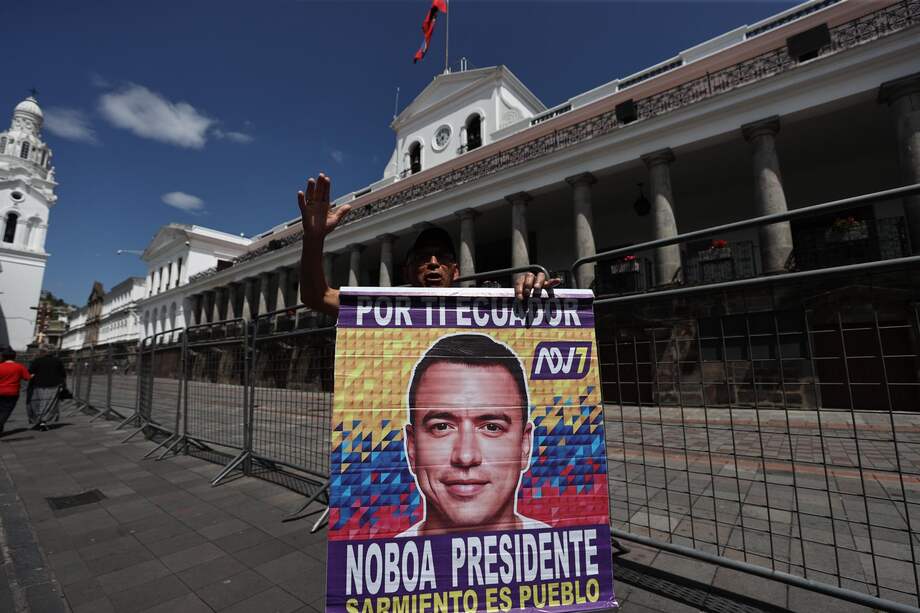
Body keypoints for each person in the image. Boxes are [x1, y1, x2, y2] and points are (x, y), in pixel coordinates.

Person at [297, 173, 558, 317]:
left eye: (442, 257)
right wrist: (314, 238)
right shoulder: (386, 309)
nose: (433, 264)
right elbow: (315, 296)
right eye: (423, 258)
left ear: (455, 271)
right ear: (407, 271)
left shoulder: (483, 308)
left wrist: (533, 292)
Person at [398, 333, 549, 537]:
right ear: (412, 448)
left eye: (492, 427)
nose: (466, 456)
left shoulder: (565, 556)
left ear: (525, 445)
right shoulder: (375, 568)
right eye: (441, 426)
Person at [27, 347, 67, 427]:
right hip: (54, 385)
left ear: (43, 353)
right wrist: (63, 385)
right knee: (50, 403)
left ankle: (39, 419)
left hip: (38, 385)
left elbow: (30, 372)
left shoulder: (37, 361)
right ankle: (44, 420)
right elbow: (63, 374)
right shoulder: (58, 361)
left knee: (39, 402)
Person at [0, 347, 30, 436]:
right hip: (12, 392)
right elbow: (27, 377)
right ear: (14, 357)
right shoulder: (19, 367)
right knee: (6, 411)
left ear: (3, 356)